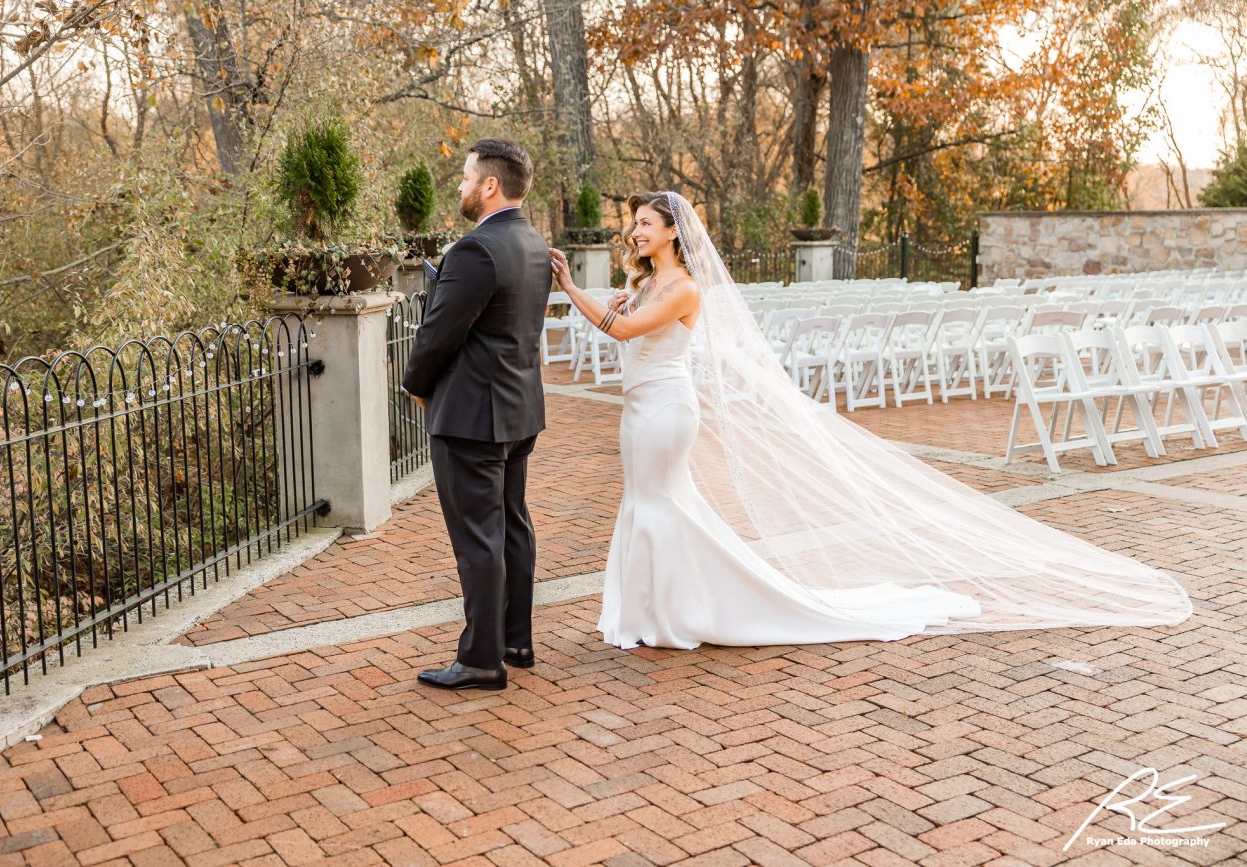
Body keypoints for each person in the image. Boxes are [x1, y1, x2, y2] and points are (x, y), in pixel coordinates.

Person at [549, 191, 1192, 650]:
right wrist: (608, 300)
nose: (634, 231)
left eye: (644, 223)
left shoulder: (684, 286)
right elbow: (627, 330)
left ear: (671, 231)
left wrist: (572, 289)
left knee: (662, 504)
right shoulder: (647, 283)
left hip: (665, 410)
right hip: (638, 409)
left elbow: (624, 329)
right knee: (647, 502)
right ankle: (647, 612)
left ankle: (675, 614)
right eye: (633, 224)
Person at [402, 139, 552, 689]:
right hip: (518, 410)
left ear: (490, 185)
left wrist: (415, 384)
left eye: (466, 177)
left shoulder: (475, 250)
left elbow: (440, 332)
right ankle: (515, 638)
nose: (461, 186)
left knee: (478, 539)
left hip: (471, 416)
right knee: (512, 526)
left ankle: (482, 659)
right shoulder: (534, 242)